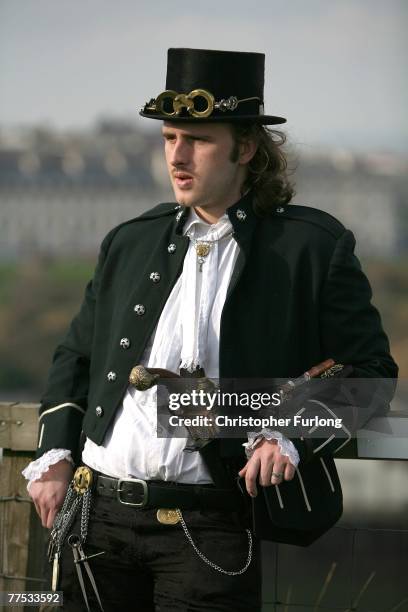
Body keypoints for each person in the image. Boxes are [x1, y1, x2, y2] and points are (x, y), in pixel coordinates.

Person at [23, 48, 397, 612]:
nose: (178, 155)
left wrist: (287, 431)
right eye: (170, 138)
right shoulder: (130, 241)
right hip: (96, 520)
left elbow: (371, 374)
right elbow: (76, 357)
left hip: (210, 525)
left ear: (246, 148)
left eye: (197, 141)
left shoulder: (310, 248)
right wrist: (54, 454)